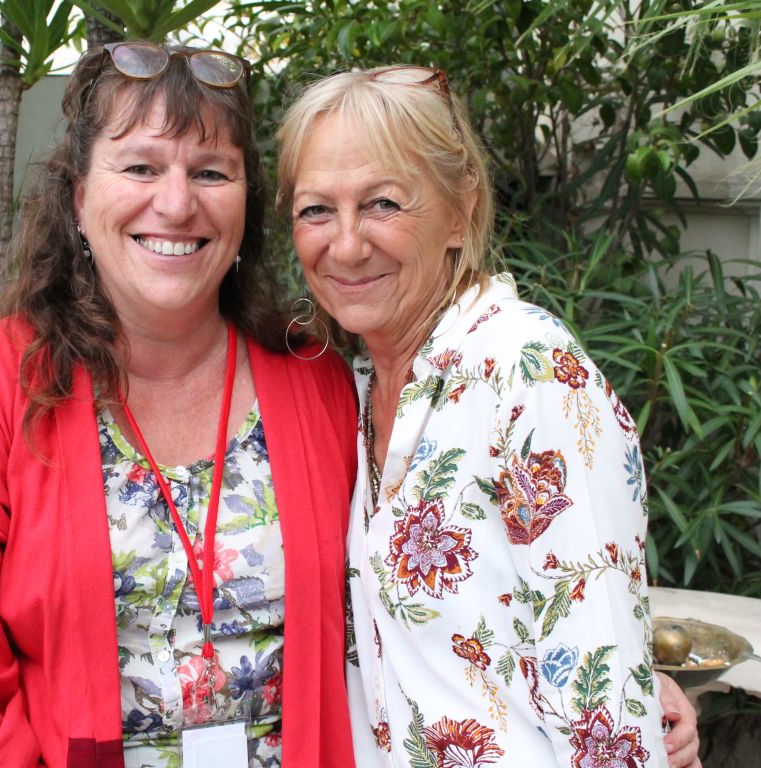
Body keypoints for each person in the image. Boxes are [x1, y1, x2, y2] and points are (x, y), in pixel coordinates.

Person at [0, 42, 358, 767]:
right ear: (77, 197)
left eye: (210, 172)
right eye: (140, 167)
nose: (177, 203)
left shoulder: (318, 382)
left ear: (246, 202)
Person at [276, 66, 700, 767]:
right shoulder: (354, 388)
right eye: (316, 210)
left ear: (460, 210)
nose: (345, 244)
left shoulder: (524, 370)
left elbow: (604, 708)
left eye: (382, 203)